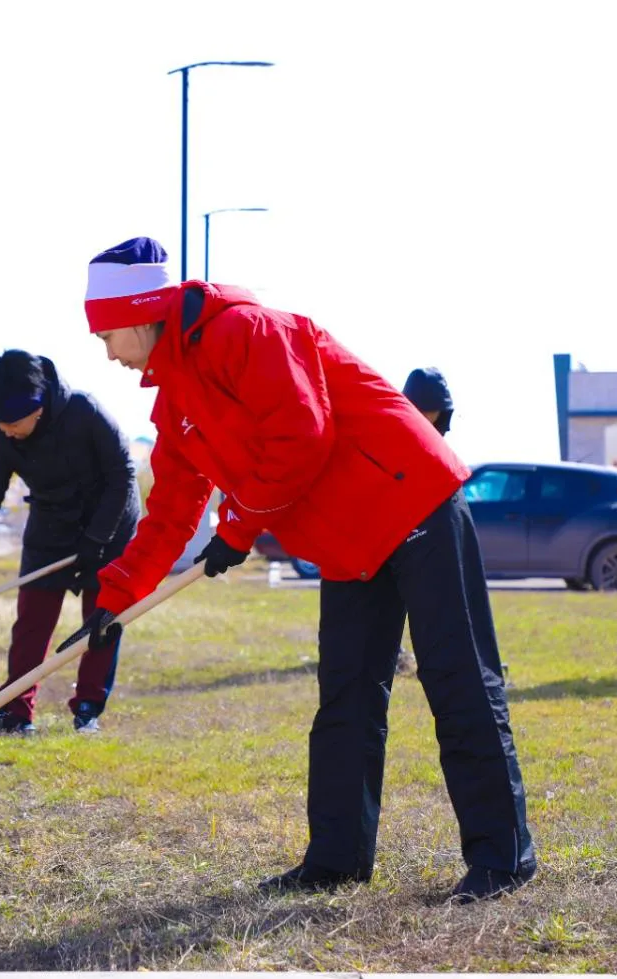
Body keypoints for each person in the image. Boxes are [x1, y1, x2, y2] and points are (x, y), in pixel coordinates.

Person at [61, 237, 535, 903]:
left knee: (457, 679)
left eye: (109, 333)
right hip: (349, 543)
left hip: (411, 499)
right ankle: (338, 858)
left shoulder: (246, 332)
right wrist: (114, 600)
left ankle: (502, 857)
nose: (108, 353)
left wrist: (238, 525)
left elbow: (301, 431)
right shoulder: (176, 404)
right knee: (345, 697)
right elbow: (169, 512)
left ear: (141, 313)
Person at [0, 350, 138, 734]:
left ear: (36, 407)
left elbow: (123, 476)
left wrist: (97, 540)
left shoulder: (84, 411)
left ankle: (88, 709)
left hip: (109, 522)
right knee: (32, 622)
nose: (4, 430)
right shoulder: (4, 431)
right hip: (51, 527)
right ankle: (15, 712)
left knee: (102, 620)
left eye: (10, 421)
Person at [402, 367, 454, 436]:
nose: (423, 416)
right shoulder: (391, 432)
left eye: (430, 410)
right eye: (418, 410)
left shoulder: (436, 443)